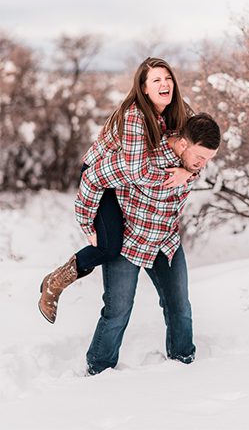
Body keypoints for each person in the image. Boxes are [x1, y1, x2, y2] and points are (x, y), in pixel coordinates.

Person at [38, 57, 192, 323]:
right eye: (156, 80)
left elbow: (197, 150)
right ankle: (55, 282)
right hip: (102, 176)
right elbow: (137, 172)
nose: (164, 84)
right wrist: (174, 176)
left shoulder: (180, 111)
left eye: (168, 79)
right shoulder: (135, 116)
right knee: (109, 247)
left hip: (127, 178)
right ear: (144, 88)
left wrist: (190, 171)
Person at [84, 112, 221, 374]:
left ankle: (184, 362)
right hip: (129, 242)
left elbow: (192, 167)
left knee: (180, 306)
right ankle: (98, 369)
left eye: (208, 159)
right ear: (183, 144)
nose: (203, 165)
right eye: (200, 158)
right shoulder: (140, 159)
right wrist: (87, 223)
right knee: (118, 311)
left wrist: (188, 173)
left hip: (165, 243)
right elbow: (93, 178)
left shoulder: (188, 162)